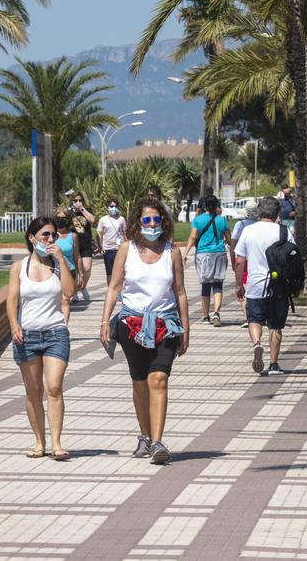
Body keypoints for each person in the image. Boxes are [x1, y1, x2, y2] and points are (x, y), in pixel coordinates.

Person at [100, 197, 190, 465]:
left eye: (157, 219)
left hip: (167, 324)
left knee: (158, 379)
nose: (153, 224)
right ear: (139, 222)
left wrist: (186, 328)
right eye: (147, 219)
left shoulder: (172, 252)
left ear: (164, 220)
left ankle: (158, 442)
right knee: (140, 382)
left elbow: (181, 292)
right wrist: (105, 321)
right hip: (132, 325)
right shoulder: (127, 249)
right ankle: (145, 436)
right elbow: (115, 287)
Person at [6, 216, 75, 461]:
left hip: (56, 333)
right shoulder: (19, 267)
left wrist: (61, 259)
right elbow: (12, 300)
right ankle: (39, 442)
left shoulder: (57, 265)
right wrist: (14, 325)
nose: (50, 239)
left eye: (53, 235)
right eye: (45, 234)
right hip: (28, 336)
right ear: (31, 237)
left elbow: (69, 292)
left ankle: (57, 444)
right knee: (33, 392)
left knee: (54, 387)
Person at [234, 197, 289, 375]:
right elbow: (293, 256)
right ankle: (274, 365)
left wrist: (238, 285)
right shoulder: (284, 231)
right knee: (275, 325)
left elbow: (239, 261)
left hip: (255, 285)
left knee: (254, 320)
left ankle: (257, 343)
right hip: (278, 286)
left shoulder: (249, 231)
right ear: (277, 213)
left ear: (260, 211)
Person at [184, 195, 232, 327]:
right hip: (219, 253)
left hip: (203, 254)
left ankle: (206, 316)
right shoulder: (222, 220)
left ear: (204, 205)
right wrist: (232, 250)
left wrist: (186, 253)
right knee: (217, 285)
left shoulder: (198, 220)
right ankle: (216, 312)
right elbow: (228, 238)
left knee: (205, 285)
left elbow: (193, 237)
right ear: (216, 205)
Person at [230, 205, 259, 328]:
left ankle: (246, 315)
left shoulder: (240, 225)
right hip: (256, 257)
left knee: (242, 284)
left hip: (242, 258)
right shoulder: (259, 225)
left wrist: (232, 260)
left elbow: (233, 244)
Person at [67, 191, 97, 301]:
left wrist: (82, 209)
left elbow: (93, 220)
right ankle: (74, 291)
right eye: (75, 200)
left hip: (86, 243)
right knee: (74, 269)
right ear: (72, 201)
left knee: (87, 267)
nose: (78, 202)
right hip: (73, 244)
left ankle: (83, 287)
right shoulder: (69, 213)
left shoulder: (86, 210)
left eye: (80, 200)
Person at [53, 207, 79, 310]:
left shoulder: (72, 236)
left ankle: (64, 322)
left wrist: (80, 274)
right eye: (58, 217)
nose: (60, 220)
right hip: (55, 270)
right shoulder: (51, 235)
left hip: (70, 270)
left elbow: (77, 256)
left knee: (66, 299)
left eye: (63, 218)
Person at [96, 198, 126, 280]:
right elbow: (99, 233)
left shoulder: (121, 219)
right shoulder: (103, 219)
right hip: (107, 248)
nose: (114, 208)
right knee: (109, 272)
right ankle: (110, 290)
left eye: (116, 206)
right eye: (111, 206)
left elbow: (124, 233)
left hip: (119, 248)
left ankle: (118, 292)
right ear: (107, 207)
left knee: (120, 271)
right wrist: (100, 247)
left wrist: (126, 246)